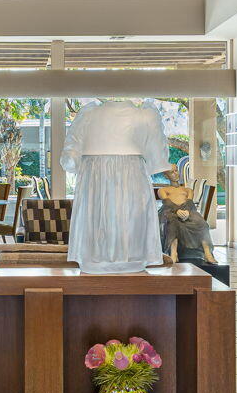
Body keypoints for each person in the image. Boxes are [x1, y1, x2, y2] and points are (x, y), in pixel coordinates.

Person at [62, 99, 173, 274]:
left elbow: (71, 152)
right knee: (127, 216)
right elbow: (156, 156)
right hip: (126, 172)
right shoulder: (144, 115)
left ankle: (110, 259)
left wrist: (73, 160)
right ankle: (124, 259)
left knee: (102, 215)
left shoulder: (89, 114)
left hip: (98, 172)